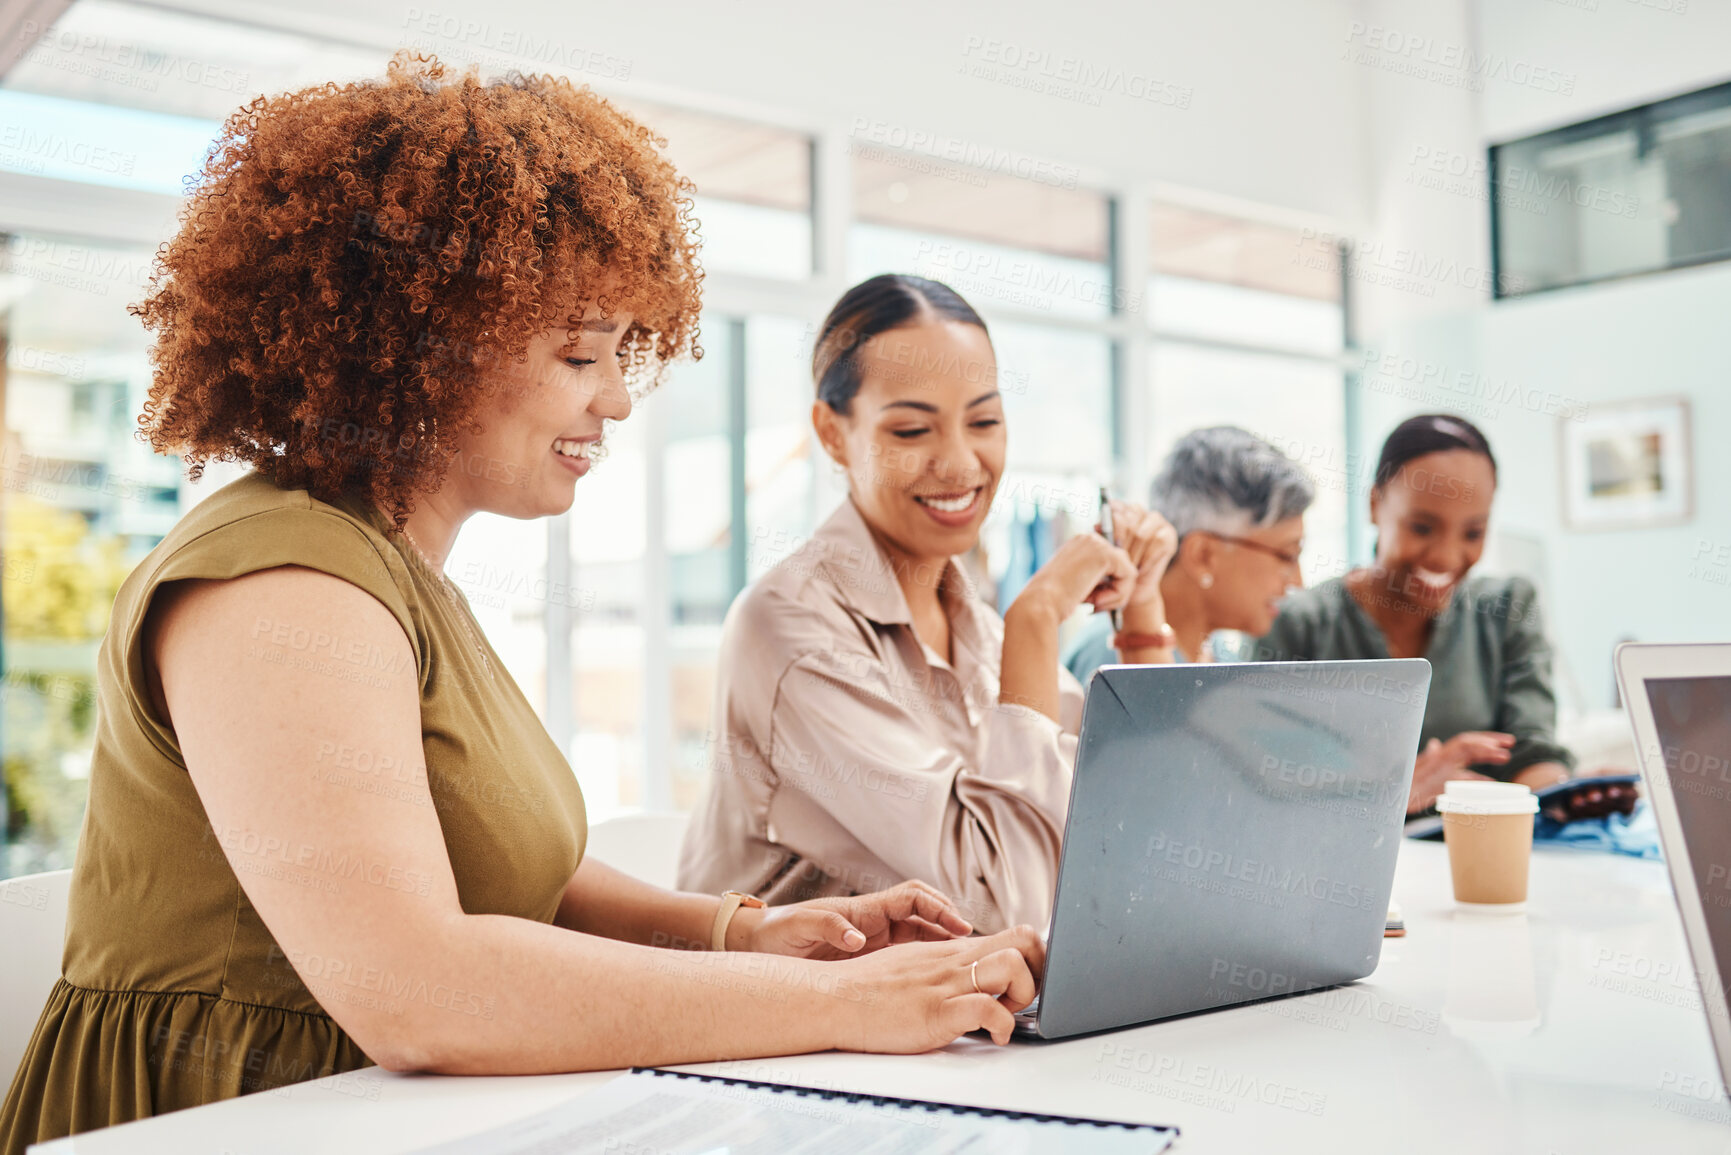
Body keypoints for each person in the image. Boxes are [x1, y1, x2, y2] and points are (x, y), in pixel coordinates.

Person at [0, 61, 1045, 1155]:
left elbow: (496, 862)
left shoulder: (392, 572)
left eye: (623, 353)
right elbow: (416, 991)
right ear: (419, 345)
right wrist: (851, 1006)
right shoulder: (282, 582)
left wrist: (749, 935)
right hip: (221, 1124)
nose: (618, 396)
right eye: (580, 353)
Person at [677, 274, 1178, 933]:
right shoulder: (792, 627)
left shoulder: (966, 620)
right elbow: (1006, 906)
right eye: (912, 430)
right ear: (832, 433)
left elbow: (1151, 808)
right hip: (785, 1027)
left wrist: (1140, 613)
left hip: (939, 1020)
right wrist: (1034, 620)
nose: (959, 461)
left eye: (984, 421)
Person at [1249, 414, 1576, 815]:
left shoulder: (1508, 609)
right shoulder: (1300, 624)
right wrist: (1397, 792)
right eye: (1421, 527)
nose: (1445, 557)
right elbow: (1264, 786)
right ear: (1375, 505)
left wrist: (1568, 797)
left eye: (1473, 533)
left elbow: (1532, 753)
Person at [1063, 426, 1313, 681]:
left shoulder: (1218, 656)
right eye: (1287, 556)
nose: (1298, 583)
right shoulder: (1114, 661)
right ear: (1203, 555)